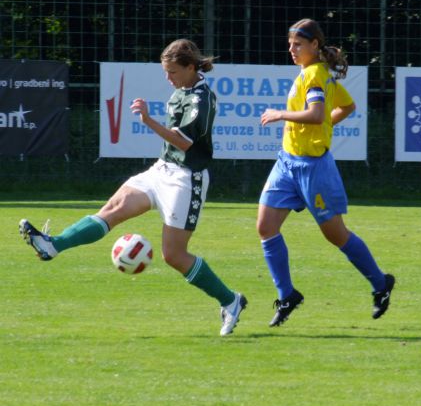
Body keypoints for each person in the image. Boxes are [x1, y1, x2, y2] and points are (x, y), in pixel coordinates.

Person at [19, 39, 247, 337]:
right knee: (112, 210)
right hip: (161, 170)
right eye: (166, 72)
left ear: (191, 67)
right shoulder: (182, 89)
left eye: (173, 72)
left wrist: (148, 120)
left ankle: (230, 301)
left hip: (186, 180)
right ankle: (53, 245)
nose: (169, 79)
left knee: (174, 256)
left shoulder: (202, 99)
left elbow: (185, 142)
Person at [257, 18, 395, 327]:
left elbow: (317, 114)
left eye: (298, 45)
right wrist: (324, 122)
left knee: (336, 235)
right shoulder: (312, 73)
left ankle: (380, 282)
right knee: (266, 226)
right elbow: (346, 107)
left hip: (313, 169)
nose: (292, 49)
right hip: (287, 163)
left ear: (315, 45)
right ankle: (287, 294)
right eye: (290, 44)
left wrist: (281, 114)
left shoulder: (316, 76)